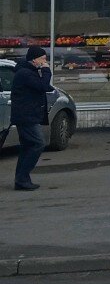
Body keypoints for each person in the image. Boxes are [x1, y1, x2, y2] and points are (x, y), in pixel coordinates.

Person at [10, 45, 56, 191]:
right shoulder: (25, 73)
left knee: (27, 146)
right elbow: (42, 86)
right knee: (38, 144)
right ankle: (22, 177)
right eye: (43, 58)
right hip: (26, 117)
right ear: (34, 59)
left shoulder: (29, 71)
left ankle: (21, 179)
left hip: (28, 115)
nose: (45, 61)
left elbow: (43, 87)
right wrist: (46, 69)